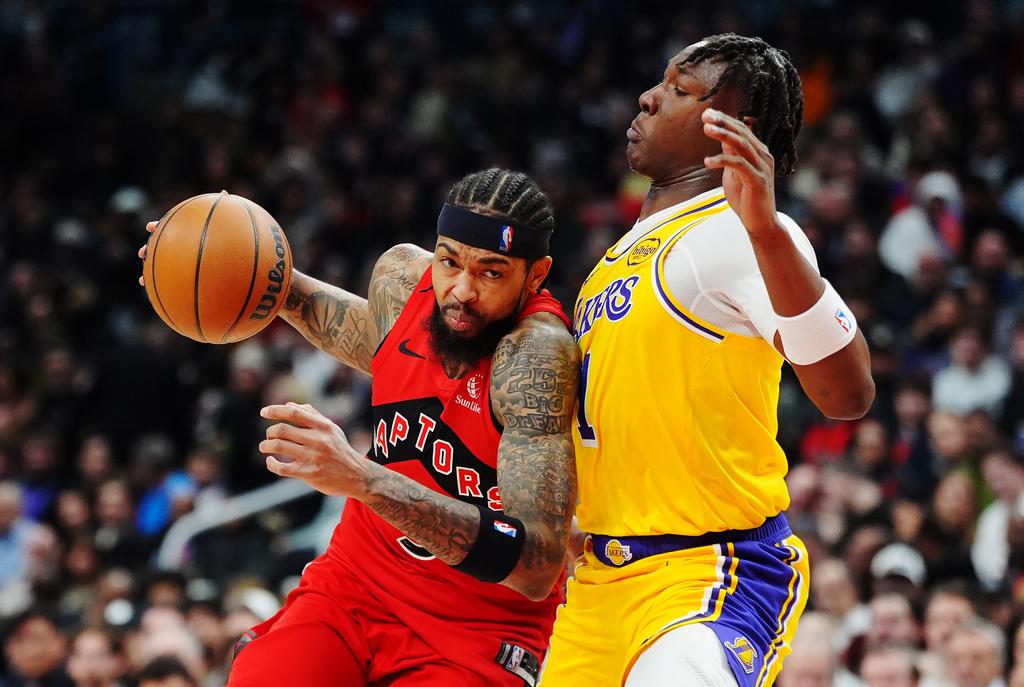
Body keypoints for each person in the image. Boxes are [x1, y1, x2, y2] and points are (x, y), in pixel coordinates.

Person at [140, 168, 578, 686]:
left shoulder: (534, 359)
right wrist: (204, 259)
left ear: (535, 274)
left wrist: (362, 478)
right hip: (357, 584)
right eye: (449, 261)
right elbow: (367, 337)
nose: (462, 290)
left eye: (492, 272)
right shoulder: (402, 283)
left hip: (476, 627)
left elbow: (535, 566)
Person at [540, 33, 874, 686]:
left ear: (732, 125)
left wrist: (766, 232)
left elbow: (848, 392)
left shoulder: (739, 230)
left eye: (679, 90)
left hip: (710, 572)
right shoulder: (619, 256)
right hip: (601, 583)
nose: (648, 97)